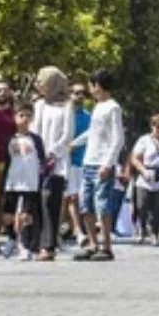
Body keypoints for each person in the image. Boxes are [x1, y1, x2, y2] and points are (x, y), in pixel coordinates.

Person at [71, 70, 125, 262]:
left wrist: (108, 163)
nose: (90, 90)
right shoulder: (97, 107)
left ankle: (107, 246)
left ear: (99, 86)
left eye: (92, 85)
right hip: (88, 162)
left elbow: (118, 139)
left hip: (101, 164)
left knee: (102, 206)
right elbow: (92, 133)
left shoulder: (113, 108)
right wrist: (74, 143)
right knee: (86, 205)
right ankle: (93, 245)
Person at [31, 67, 75, 261]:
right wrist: (38, 151)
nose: (39, 85)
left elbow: (68, 135)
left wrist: (52, 153)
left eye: (43, 81)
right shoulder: (39, 105)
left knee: (51, 201)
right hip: (37, 160)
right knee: (37, 201)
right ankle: (37, 242)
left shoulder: (67, 106)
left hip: (56, 162)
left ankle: (49, 245)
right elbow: (35, 130)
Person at [3, 104, 45, 261]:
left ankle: (24, 246)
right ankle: (12, 238)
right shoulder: (10, 140)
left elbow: (42, 160)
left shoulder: (35, 139)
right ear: (15, 117)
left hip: (30, 183)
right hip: (12, 182)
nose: (25, 118)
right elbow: (6, 162)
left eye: (28, 115)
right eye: (21, 115)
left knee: (25, 216)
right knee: (8, 216)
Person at [130, 114, 159, 245]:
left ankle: (155, 233)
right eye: (158, 127)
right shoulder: (144, 140)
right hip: (146, 175)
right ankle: (142, 230)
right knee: (142, 205)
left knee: (158, 207)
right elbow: (135, 158)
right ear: (152, 127)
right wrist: (143, 170)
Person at [64, 83, 92, 247]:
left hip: (83, 161)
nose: (80, 96)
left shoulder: (88, 116)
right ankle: (77, 230)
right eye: (76, 93)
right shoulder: (65, 114)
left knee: (81, 198)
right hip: (67, 162)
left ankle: (78, 228)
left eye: (83, 93)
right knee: (71, 197)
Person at [0, 82, 15, 254]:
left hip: (9, 162)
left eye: (5, 90)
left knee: (1, 202)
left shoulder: (15, 115)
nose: (2, 93)